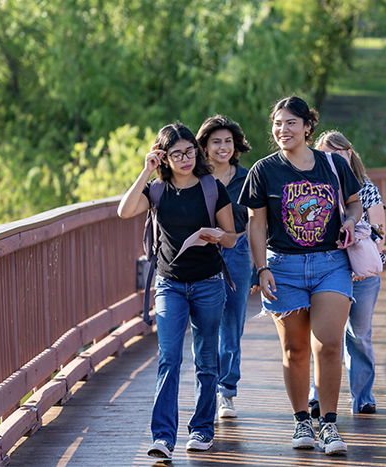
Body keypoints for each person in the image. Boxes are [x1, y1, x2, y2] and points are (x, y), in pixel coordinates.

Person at [239, 96, 362, 455]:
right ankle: (300, 421)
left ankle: (329, 425)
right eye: (277, 123)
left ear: (308, 127)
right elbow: (256, 224)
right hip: (283, 267)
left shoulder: (332, 164)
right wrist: (261, 269)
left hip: (330, 264)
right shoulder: (264, 170)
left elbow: (354, 201)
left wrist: (351, 221)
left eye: (291, 123)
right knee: (295, 349)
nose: (282, 130)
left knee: (328, 345)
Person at [117, 123, 237, 461]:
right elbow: (124, 211)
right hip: (169, 284)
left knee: (206, 358)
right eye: (176, 154)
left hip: (209, 283)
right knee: (169, 357)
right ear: (163, 157)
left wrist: (217, 236)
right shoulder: (156, 190)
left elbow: (232, 236)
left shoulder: (212, 188)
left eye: (189, 152)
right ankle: (163, 437)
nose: (185, 159)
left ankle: (201, 429)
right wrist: (145, 171)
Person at [310, 130, 386, 416]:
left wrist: (361, 253)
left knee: (359, 335)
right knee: (325, 336)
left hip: (361, 275)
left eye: (340, 152)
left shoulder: (366, 188)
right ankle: (316, 396)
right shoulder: (314, 188)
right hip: (326, 271)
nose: (335, 158)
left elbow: (380, 233)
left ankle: (363, 396)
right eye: (327, 153)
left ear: (350, 154)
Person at [196, 115, 253, 419]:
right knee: (207, 324)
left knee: (233, 324)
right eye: (216, 141)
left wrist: (258, 266)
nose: (223, 147)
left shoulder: (248, 178)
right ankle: (207, 388)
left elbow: (259, 224)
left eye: (228, 141)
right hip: (206, 254)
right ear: (204, 145)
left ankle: (226, 392)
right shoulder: (196, 178)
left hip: (240, 252)